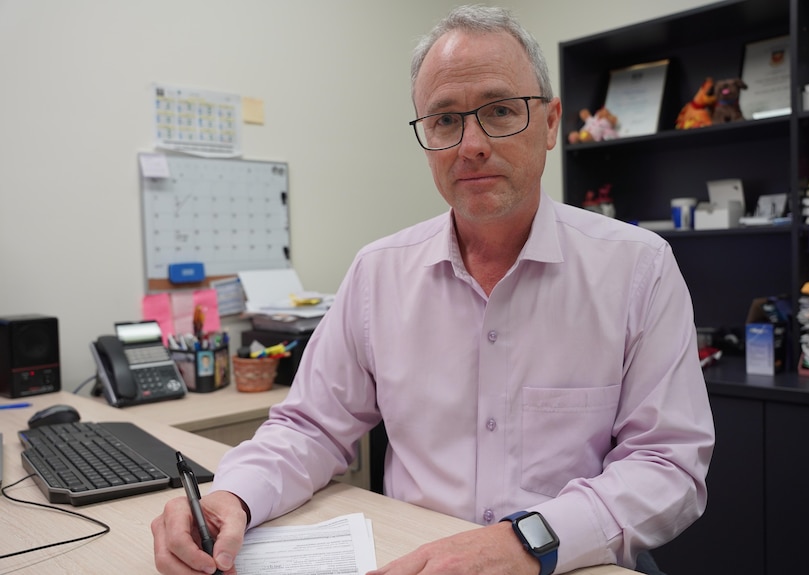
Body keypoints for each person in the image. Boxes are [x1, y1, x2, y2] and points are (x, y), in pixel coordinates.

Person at [151, 5, 714, 575]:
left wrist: (524, 542)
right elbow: (310, 426)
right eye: (445, 121)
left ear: (549, 123)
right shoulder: (379, 273)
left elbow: (667, 466)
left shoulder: (637, 268)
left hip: (572, 564)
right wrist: (233, 495)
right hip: (413, 559)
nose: (470, 144)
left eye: (499, 111)